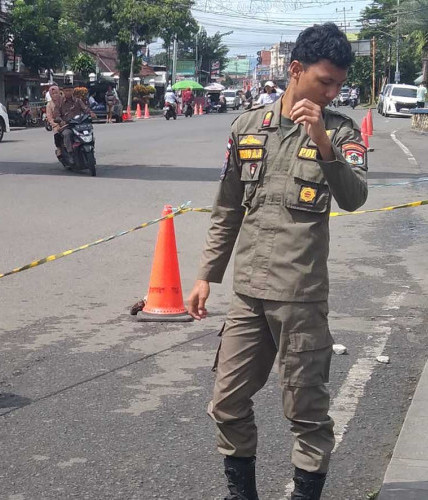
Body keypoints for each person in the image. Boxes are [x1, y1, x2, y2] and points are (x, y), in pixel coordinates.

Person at [186, 23, 367, 500]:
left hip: (301, 297)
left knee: (306, 411)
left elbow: (354, 197)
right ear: (294, 71)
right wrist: (206, 275)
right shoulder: (247, 128)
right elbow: (226, 207)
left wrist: (324, 143)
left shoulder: (341, 130)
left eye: (338, 85)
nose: (331, 92)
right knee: (226, 402)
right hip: (248, 292)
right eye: (323, 82)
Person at [53, 84, 96, 158]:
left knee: (89, 131)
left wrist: (91, 113)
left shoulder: (78, 100)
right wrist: (60, 120)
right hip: (67, 125)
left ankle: (91, 149)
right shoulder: (59, 102)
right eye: (66, 91)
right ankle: (70, 153)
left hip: (79, 124)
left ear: (73, 91)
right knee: (67, 134)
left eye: (70, 90)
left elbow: (85, 109)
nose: (68, 92)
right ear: (63, 91)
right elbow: (56, 114)